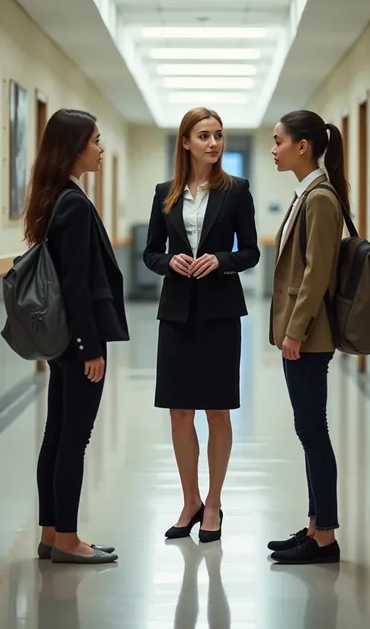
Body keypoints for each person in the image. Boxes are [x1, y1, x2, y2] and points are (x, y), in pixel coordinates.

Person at [143, 107, 260, 543]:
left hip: (219, 312)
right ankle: (189, 499)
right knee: (179, 411)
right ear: (186, 142)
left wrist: (222, 260)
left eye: (219, 136)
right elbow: (150, 252)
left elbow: (250, 251)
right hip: (175, 312)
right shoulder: (165, 193)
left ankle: (213, 503)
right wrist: (168, 261)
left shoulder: (236, 191)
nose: (214, 144)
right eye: (205, 136)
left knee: (217, 410)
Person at [24, 108, 129, 564]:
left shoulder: (55, 196)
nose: (101, 148)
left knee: (57, 434)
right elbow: (76, 283)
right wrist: (90, 347)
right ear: (75, 147)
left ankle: (50, 533)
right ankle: (68, 538)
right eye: (96, 141)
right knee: (74, 439)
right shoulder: (73, 202)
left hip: (62, 340)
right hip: (79, 341)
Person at [267, 109, 348, 565]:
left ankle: (325, 539)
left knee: (313, 431)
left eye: (278, 141)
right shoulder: (308, 193)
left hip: (309, 337)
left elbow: (317, 273)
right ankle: (316, 526)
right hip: (301, 334)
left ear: (303, 147)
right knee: (308, 429)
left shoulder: (319, 197)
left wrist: (295, 331)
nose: (273, 149)